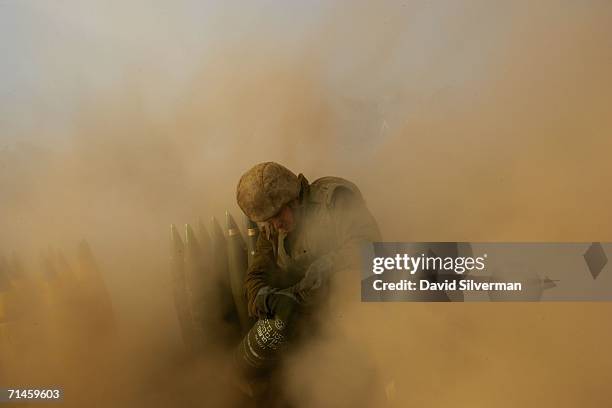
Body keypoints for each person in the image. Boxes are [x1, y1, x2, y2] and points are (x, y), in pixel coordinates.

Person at [232, 162, 381, 396]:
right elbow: (255, 276)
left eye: (278, 214)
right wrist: (266, 298)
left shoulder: (334, 200)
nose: (276, 224)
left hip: (359, 312)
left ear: (293, 197)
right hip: (314, 326)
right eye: (268, 220)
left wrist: (329, 264)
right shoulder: (273, 231)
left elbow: (370, 248)